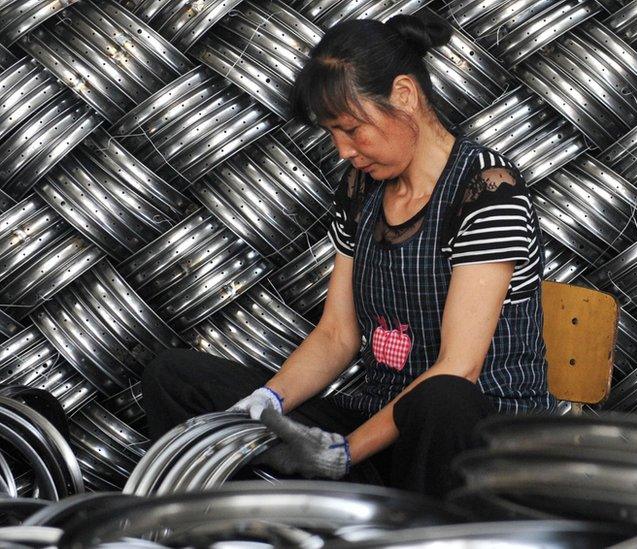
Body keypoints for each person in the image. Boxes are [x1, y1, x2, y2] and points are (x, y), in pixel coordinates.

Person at [139, 14, 555, 497]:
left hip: (473, 441)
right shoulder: (363, 189)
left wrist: (344, 453)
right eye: (332, 133)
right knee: (174, 377)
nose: (343, 151)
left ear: (404, 94)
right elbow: (337, 333)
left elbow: (458, 367)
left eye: (353, 129)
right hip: (380, 431)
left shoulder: (486, 190)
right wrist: (266, 401)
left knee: (444, 398)